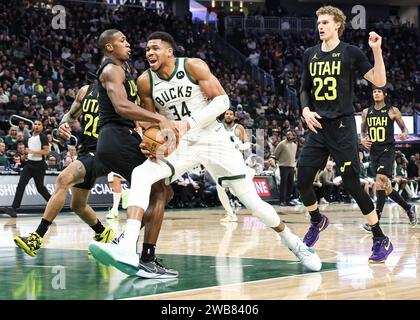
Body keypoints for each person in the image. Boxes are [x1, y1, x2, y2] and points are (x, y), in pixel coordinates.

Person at [90, 31, 322, 276]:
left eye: (155, 48)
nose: (149, 52)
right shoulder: (145, 81)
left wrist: (187, 123)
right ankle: (127, 246)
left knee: (253, 203)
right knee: (141, 174)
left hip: (213, 138)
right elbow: (151, 123)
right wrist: (150, 139)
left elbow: (222, 102)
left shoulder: (192, 65)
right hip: (180, 142)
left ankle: (295, 244)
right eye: (147, 49)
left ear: (170, 51)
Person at [297, 6, 392, 263]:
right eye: (318, 22)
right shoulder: (310, 54)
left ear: (338, 24)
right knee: (302, 179)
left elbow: (379, 81)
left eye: (325, 22)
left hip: (342, 127)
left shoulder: (350, 52)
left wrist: (376, 50)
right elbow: (304, 88)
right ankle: (317, 220)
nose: (320, 26)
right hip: (318, 126)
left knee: (351, 183)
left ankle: (380, 238)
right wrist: (305, 110)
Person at [89, 29, 179, 279]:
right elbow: (121, 106)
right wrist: (158, 118)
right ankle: (145, 258)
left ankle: (125, 243)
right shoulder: (111, 69)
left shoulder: (121, 69)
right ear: (109, 47)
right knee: (160, 191)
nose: (129, 45)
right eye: (122, 41)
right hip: (115, 137)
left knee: (164, 191)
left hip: (120, 137)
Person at [13, 84, 115, 256]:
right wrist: (62, 126)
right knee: (78, 205)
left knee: (63, 179)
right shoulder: (85, 91)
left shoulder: (119, 91)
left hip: (103, 151)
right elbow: (69, 116)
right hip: (86, 151)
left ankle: (37, 237)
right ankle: (103, 233)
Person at [360, 86, 417, 232]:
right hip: (374, 151)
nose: (376, 93)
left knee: (380, 181)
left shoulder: (393, 111)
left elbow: (404, 129)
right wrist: (362, 139)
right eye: (374, 91)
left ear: (385, 94)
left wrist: (404, 133)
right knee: (386, 187)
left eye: (379, 91)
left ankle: (375, 220)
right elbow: (363, 131)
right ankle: (408, 208)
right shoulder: (366, 112)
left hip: (387, 149)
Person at [2, 120, 51, 217]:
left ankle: (53, 204)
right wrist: (24, 156)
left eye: (39, 124)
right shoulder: (29, 138)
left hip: (39, 166)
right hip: (29, 165)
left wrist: (32, 151)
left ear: (42, 127)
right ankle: (13, 208)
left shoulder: (43, 137)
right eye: (35, 124)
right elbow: (28, 152)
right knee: (20, 185)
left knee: (40, 188)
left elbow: (46, 152)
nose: (36, 126)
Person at [219, 109, 250, 222]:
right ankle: (230, 213)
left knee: (238, 189)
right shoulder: (219, 127)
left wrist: (239, 146)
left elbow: (247, 144)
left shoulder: (239, 128)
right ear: (224, 115)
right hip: (222, 161)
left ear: (234, 116)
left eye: (231, 114)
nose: (228, 115)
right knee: (220, 187)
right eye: (226, 113)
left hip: (236, 161)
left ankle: (253, 207)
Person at [273, 129, 298, 206]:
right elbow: (275, 154)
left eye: (291, 134)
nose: (289, 136)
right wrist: (274, 161)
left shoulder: (295, 145)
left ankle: (287, 200)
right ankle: (282, 201)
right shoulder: (282, 144)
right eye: (288, 134)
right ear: (286, 136)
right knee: (283, 184)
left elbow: (294, 156)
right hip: (283, 166)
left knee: (290, 184)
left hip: (291, 166)